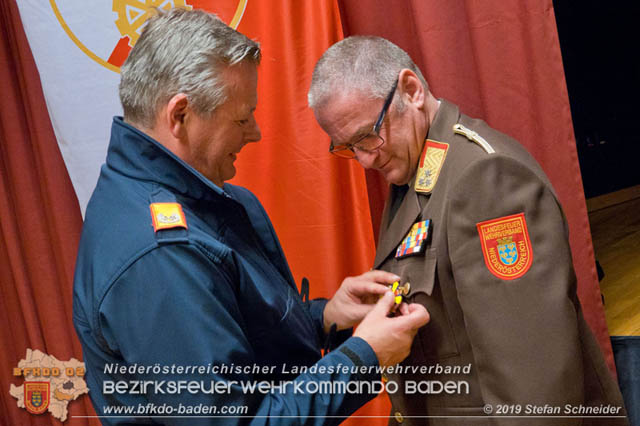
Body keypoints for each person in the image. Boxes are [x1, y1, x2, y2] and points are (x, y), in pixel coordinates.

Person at [72, 10, 429, 425]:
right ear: (180, 115)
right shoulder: (158, 255)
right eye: (241, 118)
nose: (255, 132)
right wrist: (364, 358)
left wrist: (325, 318)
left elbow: (241, 336)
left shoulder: (190, 199)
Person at [308, 36, 629, 425]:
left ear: (411, 91)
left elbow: (534, 386)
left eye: (366, 136)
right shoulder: (419, 170)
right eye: (348, 147)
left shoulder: (485, 179)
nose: (363, 159)